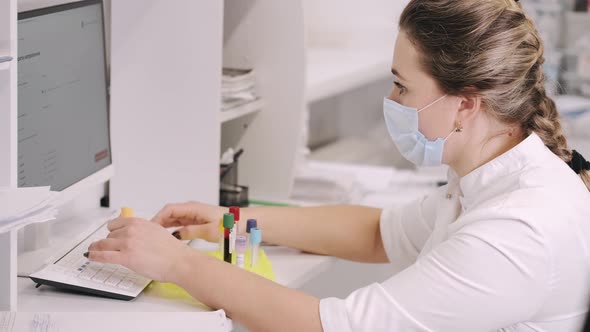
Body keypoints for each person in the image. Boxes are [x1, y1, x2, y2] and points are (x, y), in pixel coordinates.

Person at [86, 0, 590, 331]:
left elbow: (332, 326)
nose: (390, 99)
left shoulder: (516, 231)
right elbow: (377, 232)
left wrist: (176, 263)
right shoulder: (493, 177)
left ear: (464, 103)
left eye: (402, 85)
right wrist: (227, 220)